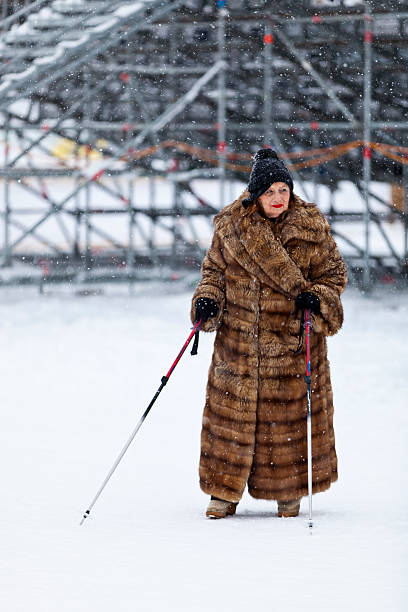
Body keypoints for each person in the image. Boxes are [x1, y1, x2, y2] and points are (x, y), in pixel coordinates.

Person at [190, 149, 347, 519]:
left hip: (291, 342)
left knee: (285, 420)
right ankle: (223, 492)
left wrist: (316, 297)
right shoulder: (230, 228)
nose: (278, 198)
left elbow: (334, 276)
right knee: (230, 418)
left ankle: (288, 490)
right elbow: (213, 273)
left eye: (283, 190)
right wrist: (207, 301)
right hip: (238, 344)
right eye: (269, 191)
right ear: (254, 195)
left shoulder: (310, 226)